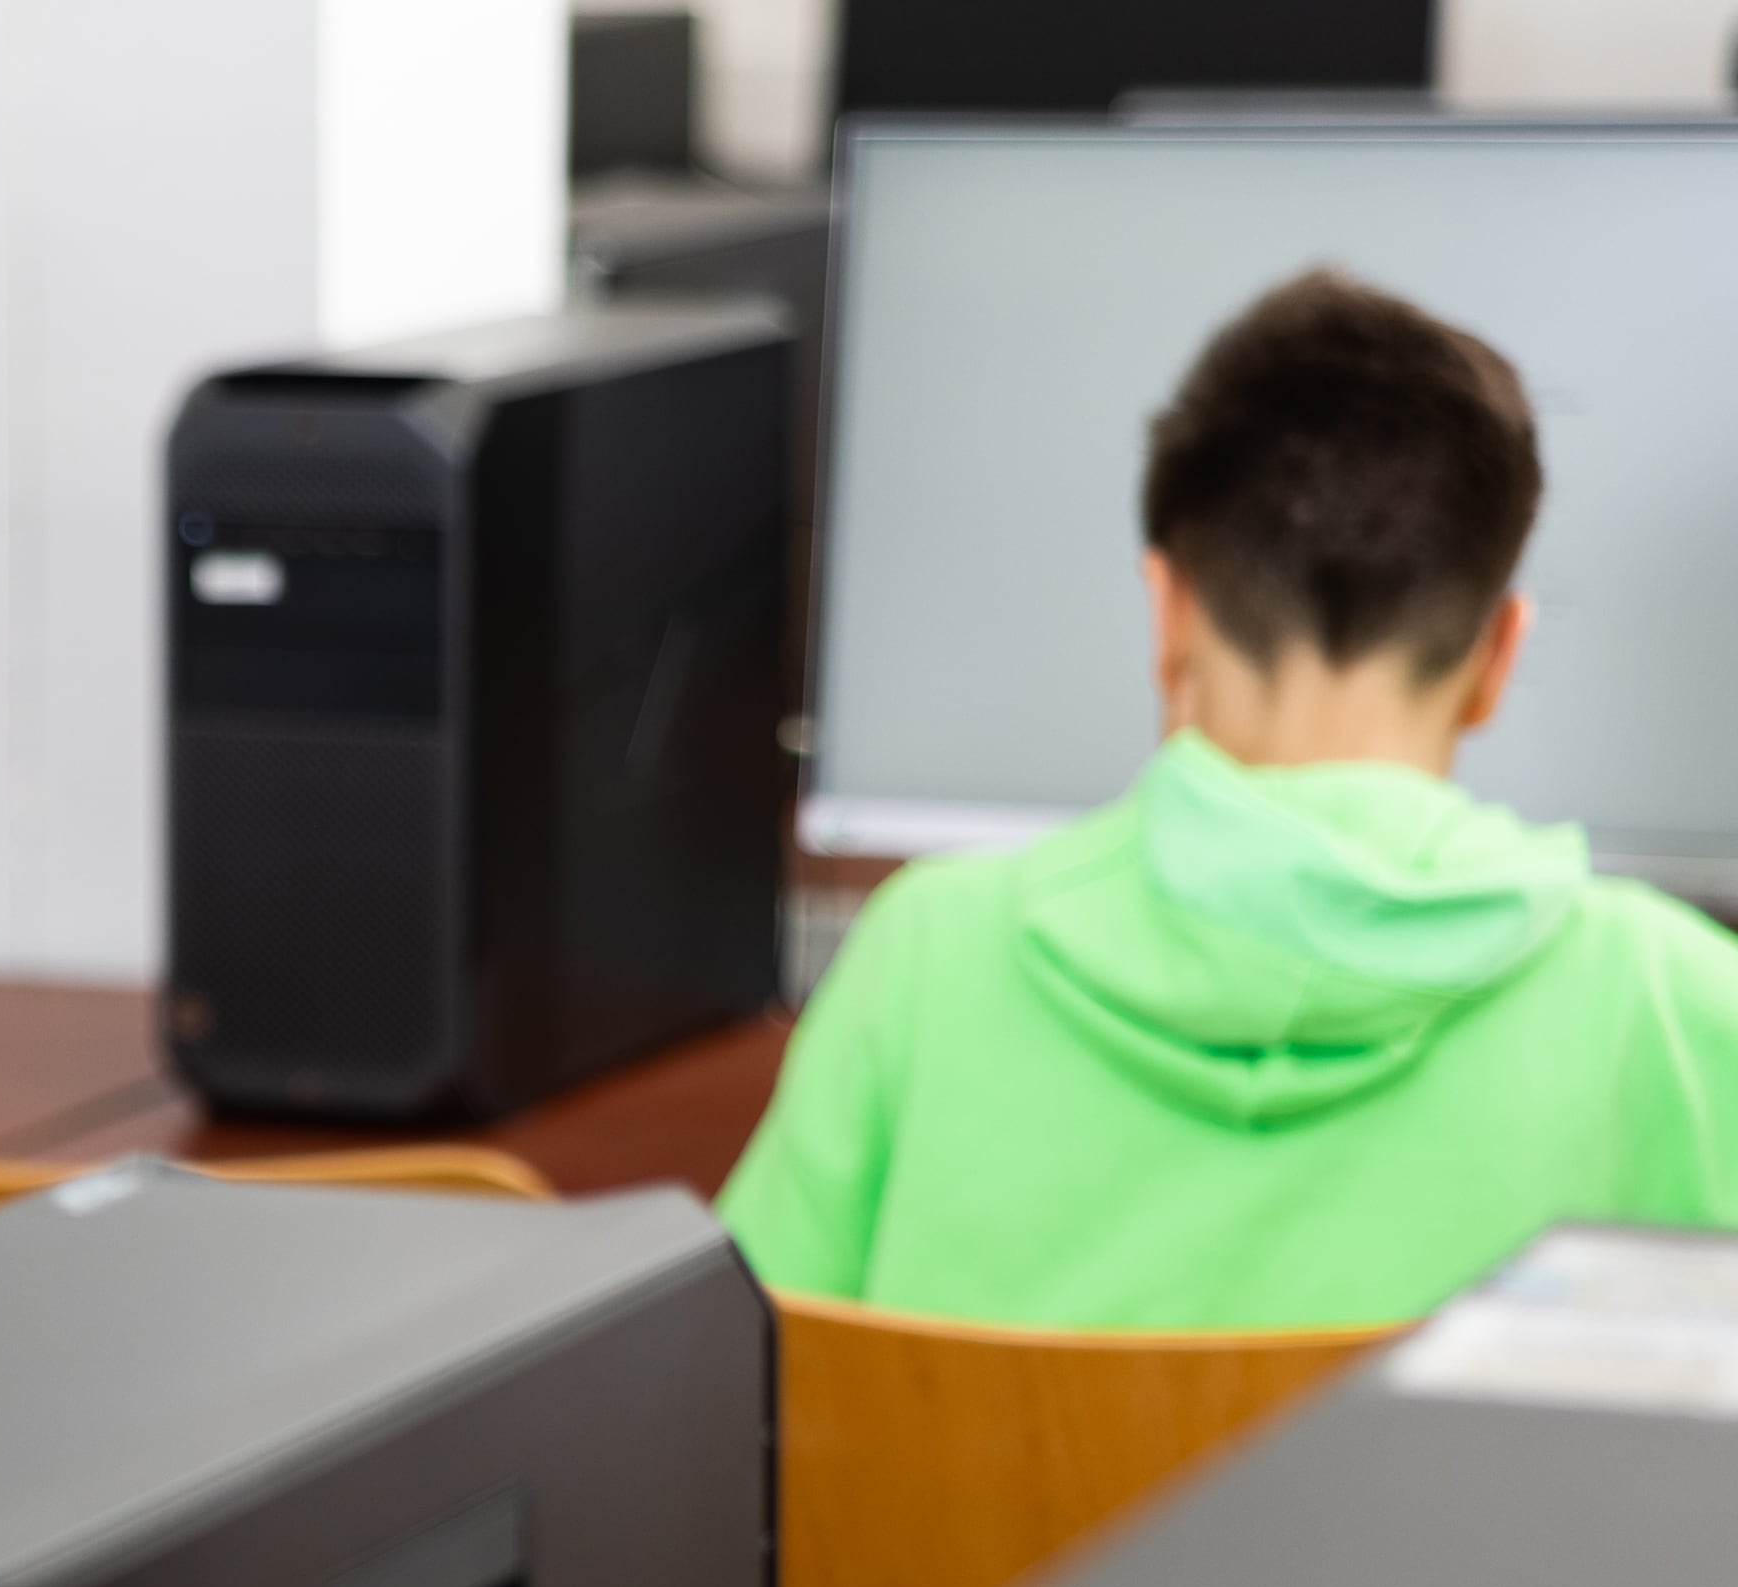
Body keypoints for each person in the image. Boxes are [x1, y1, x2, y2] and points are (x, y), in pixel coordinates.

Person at [721, 268, 1738, 1331]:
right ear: (1497, 655)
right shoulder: (1677, 1010)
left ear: (1167, 613)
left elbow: (720, 1398)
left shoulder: (923, 956)